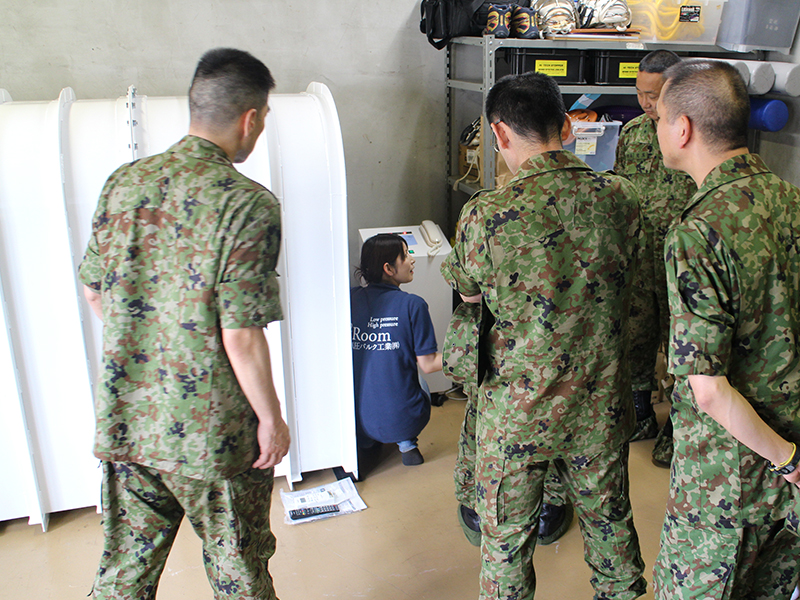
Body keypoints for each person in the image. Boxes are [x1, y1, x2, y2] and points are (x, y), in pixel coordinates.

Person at [79, 48, 290, 599]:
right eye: (263, 119)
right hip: (214, 438)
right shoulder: (247, 205)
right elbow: (240, 333)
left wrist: (152, 346)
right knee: (239, 571)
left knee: (125, 574)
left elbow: (94, 290)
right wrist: (271, 420)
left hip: (130, 421)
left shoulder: (123, 184)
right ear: (250, 119)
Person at [442, 71, 646, 600]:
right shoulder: (621, 197)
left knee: (506, 546)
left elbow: (468, 293)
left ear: (499, 133)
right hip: (599, 405)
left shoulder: (485, 214)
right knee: (611, 532)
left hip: (518, 412)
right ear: (566, 126)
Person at [652, 58, 800, 599]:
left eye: (659, 117)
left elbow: (709, 390)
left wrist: (784, 458)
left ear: (683, 128)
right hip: (790, 472)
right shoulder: (791, 201)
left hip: (729, 481)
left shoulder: (698, 231)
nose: (655, 128)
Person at [614, 50, 697, 468]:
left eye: (654, 94)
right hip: (639, 252)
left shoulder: (692, 131)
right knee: (636, 334)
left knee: (680, 339)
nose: (646, 103)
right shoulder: (631, 133)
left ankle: (679, 427)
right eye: (640, 93)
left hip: (681, 257)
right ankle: (640, 412)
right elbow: (621, 188)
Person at [350, 233, 442, 468]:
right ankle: (407, 445)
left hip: (354, 420)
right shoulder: (413, 305)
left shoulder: (349, 299)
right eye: (406, 254)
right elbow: (429, 364)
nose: (412, 260)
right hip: (403, 421)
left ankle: (366, 441)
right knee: (419, 379)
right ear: (389, 268)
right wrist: (467, 353)